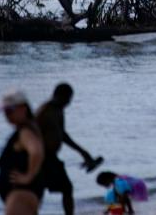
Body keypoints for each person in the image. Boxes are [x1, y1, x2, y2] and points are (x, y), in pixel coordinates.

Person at [36, 83, 101, 215]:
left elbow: (62, 134)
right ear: (57, 96)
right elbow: (30, 134)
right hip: (40, 158)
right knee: (37, 192)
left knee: (66, 188)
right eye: (67, 99)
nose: (68, 103)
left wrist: (83, 152)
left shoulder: (58, 110)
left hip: (51, 158)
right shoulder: (44, 111)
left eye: (69, 99)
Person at [0, 89, 44, 215]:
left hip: (20, 193)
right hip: (23, 193)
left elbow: (37, 152)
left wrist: (28, 176)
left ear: (23, 108)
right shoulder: (29, 129)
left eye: (10, 111)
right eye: (5, 112)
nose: (7, 115)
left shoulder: (25, 132)